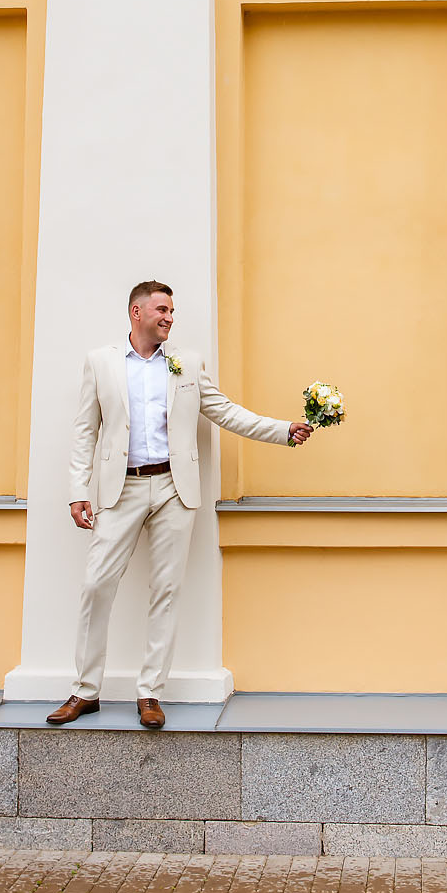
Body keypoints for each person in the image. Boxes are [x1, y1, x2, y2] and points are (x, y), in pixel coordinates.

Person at [47, 281, 312, 730]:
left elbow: (225, 411)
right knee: (96, 586)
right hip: (120, 489)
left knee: (166, 591)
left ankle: (150, 692)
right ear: (137, 312)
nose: (170, 317)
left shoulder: (186, 364)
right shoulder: (101, 362)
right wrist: (78, 490)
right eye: (162, 310)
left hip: (175, 488)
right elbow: (84, 432)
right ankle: (85, 691)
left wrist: (282, 430)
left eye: (172, 311)